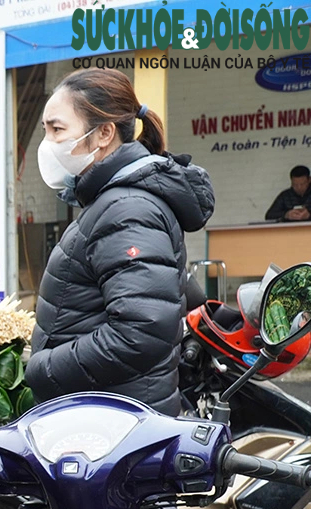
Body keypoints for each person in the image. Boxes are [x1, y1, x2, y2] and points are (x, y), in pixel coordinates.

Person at [25, 68, 216, 415]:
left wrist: (43, 368)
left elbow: (140, 331)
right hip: (107, 414)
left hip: (117, 426)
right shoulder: (114, 202)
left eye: (57, 129)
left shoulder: (127, 209)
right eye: (45, 131)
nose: (47, 143)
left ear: (104, 134)